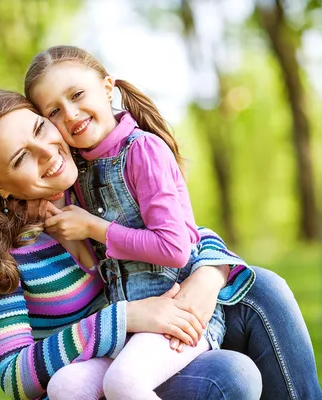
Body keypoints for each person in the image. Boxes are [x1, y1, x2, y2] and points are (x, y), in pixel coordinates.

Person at [0, 88, 321, 399]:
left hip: (145, 353)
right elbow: (14, 377)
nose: (48, 153)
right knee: (230, 375)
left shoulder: (87, 189)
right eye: (20, 159)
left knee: (263, 288)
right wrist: (125, 318)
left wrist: (211, 273)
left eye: (40, 128)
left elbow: (177, 232)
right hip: (91, 384)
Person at [23, 45, 256, 399]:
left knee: (123, 383)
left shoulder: (143, 151)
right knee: (65, 386)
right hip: (127, 325)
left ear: (107, 87)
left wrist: (92, 227)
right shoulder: (79, 172)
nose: (70, 114)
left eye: (77, 94)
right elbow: (92, 263)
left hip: (178, 316)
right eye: (54, 110)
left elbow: (175, 248)